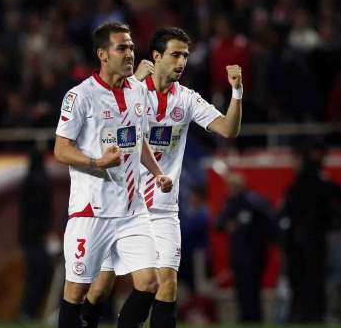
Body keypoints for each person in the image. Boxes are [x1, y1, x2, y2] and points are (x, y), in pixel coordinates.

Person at [82, 27, 243, 328]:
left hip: (163, 208)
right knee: (101, 286)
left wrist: (237, 91)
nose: (181, 61)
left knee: (166, 283)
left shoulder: (187, 99)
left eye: (185, 55)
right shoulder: (130, 90)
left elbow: (228, 129)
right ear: (156, 56)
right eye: (175, 54)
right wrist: (134, 80)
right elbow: (104, 127)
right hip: (121, 206)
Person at [54, 21, 173, 328]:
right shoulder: (80, 96)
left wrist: (158, 172)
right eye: (122, 47)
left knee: (150, 282)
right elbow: (61, 149)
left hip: (132, 211)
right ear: (103, 55)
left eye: (132, 47)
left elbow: (137, 139)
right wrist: (96, 163)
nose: (130, 53)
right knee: (78, 292)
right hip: (92, 211)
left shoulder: (136, 91)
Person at [278, 143, 341, 322]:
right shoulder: (313, 182)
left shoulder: (307, 183)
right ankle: (310, 314)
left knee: (308, 278)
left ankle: (306, 314)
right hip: (309, 238)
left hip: (307, 238)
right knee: (309, 278)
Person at [216, 173, 275, 323]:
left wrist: (236, 226)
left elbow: (268, 224)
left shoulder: (253, 201)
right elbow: (218, 223)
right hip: (239, 254)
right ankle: (246, 319)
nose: (230, 190)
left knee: (252, 290)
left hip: (254, 253)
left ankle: (253, 320)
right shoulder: (231, 202)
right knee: (242, 290)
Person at [18, 149, 54, 321]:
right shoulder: (41, 183)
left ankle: (29, 312)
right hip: (37, 238)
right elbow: (44, 213)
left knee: (37, 273)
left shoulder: (26, 183)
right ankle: (28, 312)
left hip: (28, 238)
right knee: (41, 273)